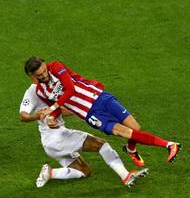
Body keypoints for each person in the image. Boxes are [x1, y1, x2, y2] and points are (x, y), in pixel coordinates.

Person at [23, 57, 181, 167]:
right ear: (32, 76)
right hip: (91, 114)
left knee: (135, 128)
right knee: (123, 132)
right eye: (39, 75)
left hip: (100, 97)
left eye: (44, 70)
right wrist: (52, 117)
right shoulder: (41, 92)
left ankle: (130, 149)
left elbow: (70, 89)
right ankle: (169, 144)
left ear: (45, 65)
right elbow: (59, 110)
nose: (44, 75)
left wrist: (51, 109)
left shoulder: (56, 67)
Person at [20, 81, 148, 187]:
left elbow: (64, 110)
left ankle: (50, 172)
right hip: (57, 138)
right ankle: (125, 176)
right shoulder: (32, 92)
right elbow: (23, 116)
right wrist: (37, 115)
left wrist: (80, 106)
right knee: (101, 145)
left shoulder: (51, 85)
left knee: (84, 171)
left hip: (51, 144)